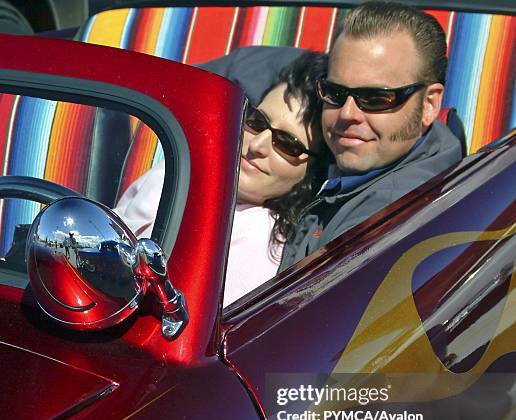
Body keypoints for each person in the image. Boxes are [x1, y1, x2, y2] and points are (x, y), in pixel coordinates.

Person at [115, 51, 328, 306]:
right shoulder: (183, 164)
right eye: (257, 122)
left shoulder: (260, 237)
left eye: (287, 143)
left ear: (312, 173)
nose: (257, 145)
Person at [279, 1, 464, 269]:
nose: (347, 114)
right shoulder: (357, 163)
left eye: (376, 98)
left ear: (429, 105)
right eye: (335, 93)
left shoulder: (389, 223)